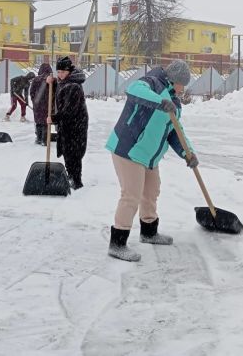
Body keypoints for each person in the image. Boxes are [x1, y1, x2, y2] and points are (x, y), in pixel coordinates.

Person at [104, 60, 197, 262]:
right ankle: (117, 243)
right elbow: (133, 89)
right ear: (175, 80)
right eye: (183, 84)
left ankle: (149, 231)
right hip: (128, 149)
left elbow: (175, 131)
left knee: (151, 191)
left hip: (148, 156)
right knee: (131, 195)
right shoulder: (152, 83)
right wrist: (159, 102)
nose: (183, 89)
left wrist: (188, 153)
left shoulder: (175, 102)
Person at [46, 56, 88, 190]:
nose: (60, 75)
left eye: (63, 72)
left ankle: (76, 181)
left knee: (73, 153)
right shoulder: (64, 83)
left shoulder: (73, 86)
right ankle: (71, 177)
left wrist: (54, 118)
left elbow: (69, 110)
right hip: (68, 124)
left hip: (75, 125)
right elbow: (58, 95)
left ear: (69, 71)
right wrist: (51, 84)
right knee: (67, 151)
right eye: (58, 72)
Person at [29, 62, 53, 145]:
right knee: (46, 121)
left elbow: (31, 92)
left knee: (38, 121)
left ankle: (38, 138)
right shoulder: (51, 79)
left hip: (37, 104)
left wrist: (34, 101)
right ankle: (44, 139)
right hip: (47, 104)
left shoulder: (36, 79)